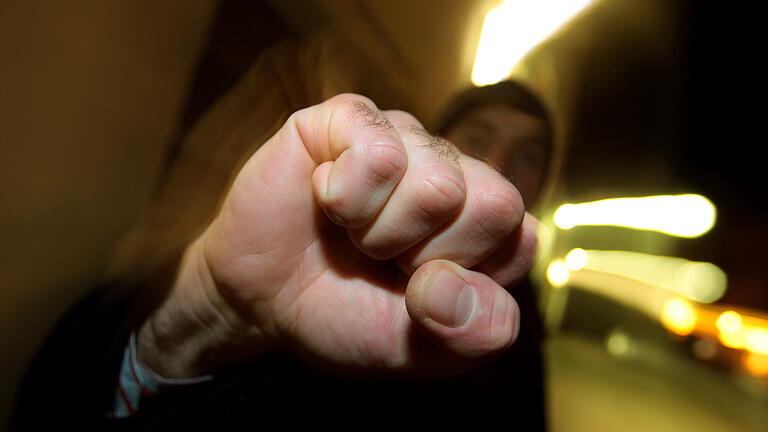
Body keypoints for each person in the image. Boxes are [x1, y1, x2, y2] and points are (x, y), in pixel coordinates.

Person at [10, 51, 553, 428]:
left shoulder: (525, 331)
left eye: (529, 155)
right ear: (439, 143)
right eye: (478, 137)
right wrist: (216, 310)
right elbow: (60, 407)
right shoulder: (338, 255)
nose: (499, 162)